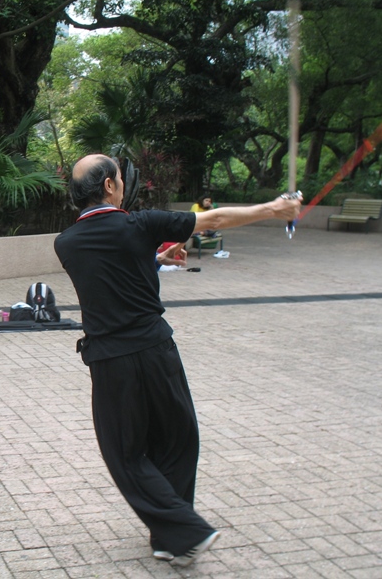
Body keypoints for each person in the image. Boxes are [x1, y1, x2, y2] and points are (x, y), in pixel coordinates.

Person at [53, 154, 301, 567]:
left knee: (126, 453)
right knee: (177, 439)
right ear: (111, 187)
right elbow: (214, 221)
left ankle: (172, 537)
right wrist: (275, 209)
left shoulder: (66, 243)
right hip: (155, 350)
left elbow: (109, 269)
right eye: (118, 176)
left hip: (110, 360)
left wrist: (154, 261)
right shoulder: (141, 224)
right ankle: (185, 532)